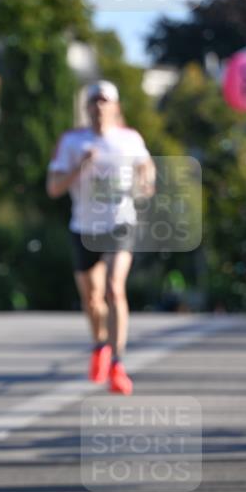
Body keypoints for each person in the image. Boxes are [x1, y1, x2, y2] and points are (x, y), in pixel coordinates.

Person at [47, 81, 156, 394]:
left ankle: (118, 364)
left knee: (113, 289)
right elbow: (53, 188)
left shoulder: (130, 139)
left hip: (120, 223)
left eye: (104, 101)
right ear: (86, 107)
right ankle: (99, 346)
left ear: (115, 106)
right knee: (92, 298)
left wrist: (146, 181)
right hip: (83, 227)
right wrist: (80, 168)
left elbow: (147, 171)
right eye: (93, 101)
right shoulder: (72, 141)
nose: (98, 107)